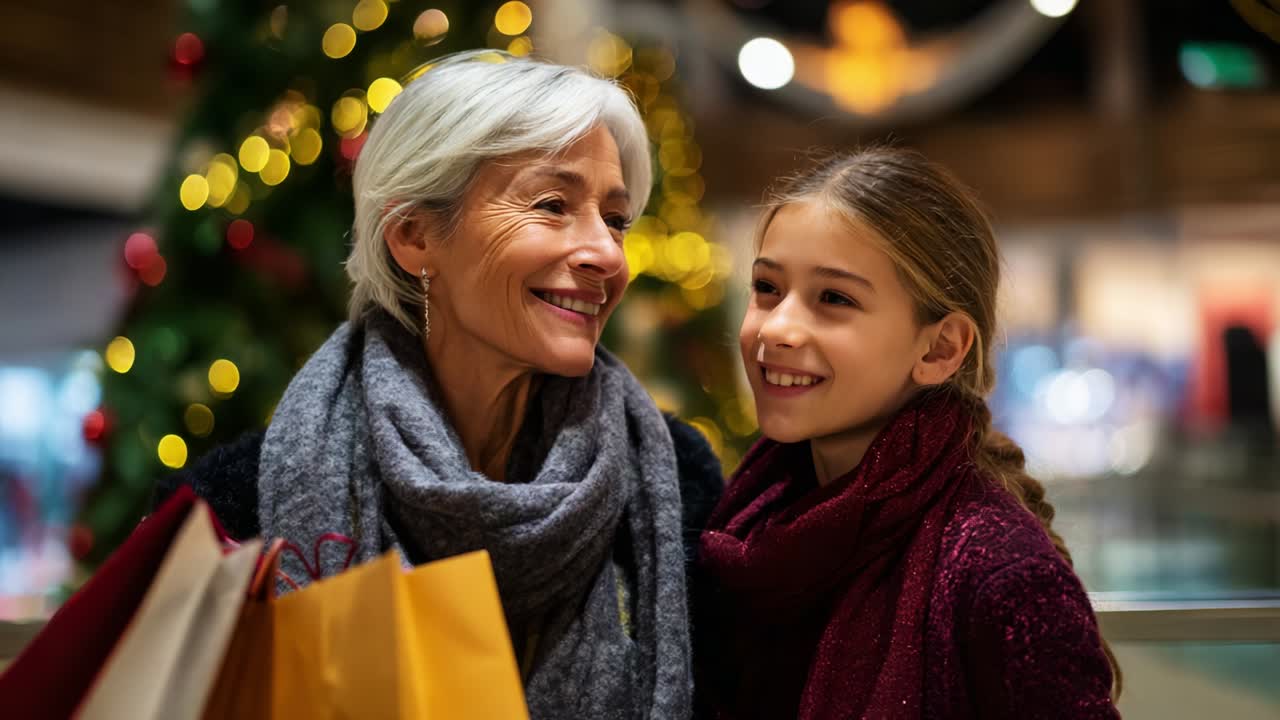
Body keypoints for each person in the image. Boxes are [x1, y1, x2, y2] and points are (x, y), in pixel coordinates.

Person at [155, 50, 723, 720]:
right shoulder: (233, 514)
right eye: (552, 204)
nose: (606, 253)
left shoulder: (676, 484)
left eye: (616, 218)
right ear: (415, 237)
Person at [695, 147, 1120, 719]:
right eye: (767, 288)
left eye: (835, 299)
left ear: (940, 348)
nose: (778, 327)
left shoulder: (1001, 572)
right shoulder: (748, 523)